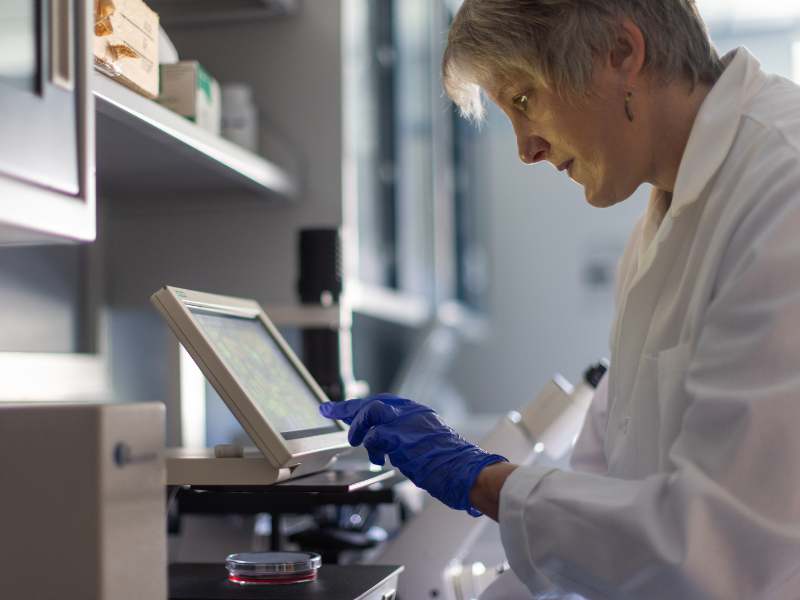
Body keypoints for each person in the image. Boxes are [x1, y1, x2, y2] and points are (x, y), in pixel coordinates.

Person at [321, 1, 800, 597]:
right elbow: (604, 499)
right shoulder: (662, 222)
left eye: (523, 100)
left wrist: (485, 481)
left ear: (622, 54)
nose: (526, 150)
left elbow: (714, 546)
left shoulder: (784, 189)